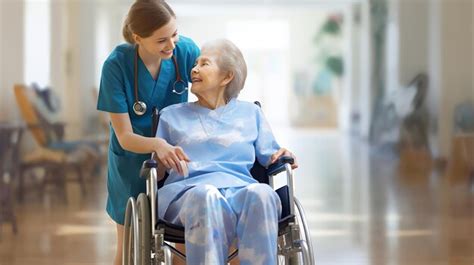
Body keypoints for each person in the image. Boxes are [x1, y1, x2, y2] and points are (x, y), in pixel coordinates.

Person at [155, 39, 298, 264]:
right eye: (195, 64)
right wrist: (161, 158)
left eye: (204, 64)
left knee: (263, 194)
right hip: (187, 193)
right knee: (206, 195)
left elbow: (271, 156)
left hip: (239, 190)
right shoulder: (171, 115)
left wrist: (282, 154)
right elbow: (158, 172)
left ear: (226, 77)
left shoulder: (251, 113)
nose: (194, 69)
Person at [96, 1, 199, 264]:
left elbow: (215, 97)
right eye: (162, 40)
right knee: (128, 246)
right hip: (132, 159)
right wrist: (157, 144)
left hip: (179, 158)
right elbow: (124, 136)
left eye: (174, 34)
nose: (172, 45)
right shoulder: (116, 66)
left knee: (184, 245)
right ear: (137, 37)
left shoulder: (185, 51)